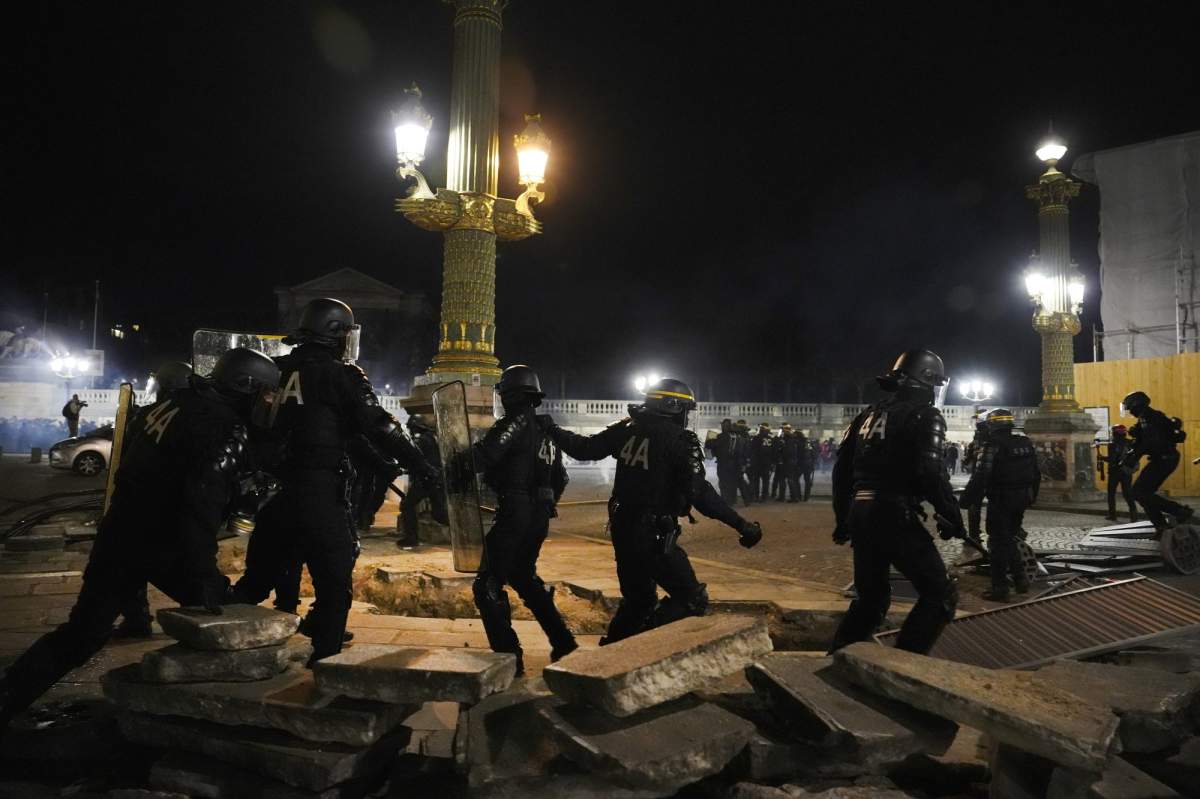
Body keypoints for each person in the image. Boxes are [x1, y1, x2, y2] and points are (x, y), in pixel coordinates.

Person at [0, 349, 280, 731]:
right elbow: (199, 510)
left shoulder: (173, 403)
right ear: (246, 387)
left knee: (82, 633)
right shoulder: (223, 427)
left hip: (123, 529)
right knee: (226, 616)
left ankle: (8, 699)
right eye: (266, 393)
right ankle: (217, 722)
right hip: (162, 541)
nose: (269, 402)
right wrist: (204, 578)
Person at [231, 298, 437, 663]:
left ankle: (213, 638)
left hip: (272, 493)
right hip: (319, 490)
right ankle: (324, 664)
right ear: (336, 334)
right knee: (334, 582)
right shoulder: (342, 375)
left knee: (256, 580)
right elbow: (378, 426)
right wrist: (421, 465)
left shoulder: (274, 370)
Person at [548, 378, 763, 645]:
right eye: (685, 409)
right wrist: (742, 525)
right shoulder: (680, 440)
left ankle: (611, 656)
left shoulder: (626, 429)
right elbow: (700, 493)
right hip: (653, 534)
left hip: (622, 526)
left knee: (639, 600)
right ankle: (645, 644)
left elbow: (584, 449)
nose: (686, 417)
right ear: (672, 406)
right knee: (691, 598)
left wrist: (553, 429)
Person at [828, 350, 963, 655]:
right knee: (938, 594)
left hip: (861, 513)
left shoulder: (867, 415)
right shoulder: (925, 415)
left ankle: (838, 658)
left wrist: (842, 518)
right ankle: (904, 664)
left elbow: (842, 472)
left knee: (870, 598)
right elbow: (931, 471)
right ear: (927, 381)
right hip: (894, 514)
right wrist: (951, 514)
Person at [467, 365, 577, 675]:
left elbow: (483, 457)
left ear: (511, 396)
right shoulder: (546, 431)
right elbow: (562, 478)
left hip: (514, 511)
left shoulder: (514, 422)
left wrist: (456, 457)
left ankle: (509, 658)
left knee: (488, 584)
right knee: (524, 578)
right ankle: (564, 643)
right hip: (539, 514)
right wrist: (543, 504)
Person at [111, 361, 197, 639]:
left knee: (138, 561)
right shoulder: (194, 417)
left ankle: (140, 617)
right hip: (171, 504)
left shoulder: (148, 415)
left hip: (149, 503)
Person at [959, 408, 1040, 602]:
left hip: (1001, 498)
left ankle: (999, 588)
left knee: (996, 542)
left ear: (992, 425)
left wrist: (967, 500)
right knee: (1009, 538)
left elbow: (981, 476)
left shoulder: (991, 445)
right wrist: (1032, 497)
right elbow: (1036, 474)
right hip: (1022, 498)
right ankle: (1020, 580)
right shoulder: (1025, 443)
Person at [1120, 391, 1194, 530]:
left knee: (1139, 492)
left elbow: (1150, 443)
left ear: (1137, 405)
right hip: (1162, 459)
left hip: (1165, 459)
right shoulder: (1145, 418)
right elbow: (1143, 441)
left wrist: (1135, 455)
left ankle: (1179, 511)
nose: (1130, 411)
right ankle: (1161, 526)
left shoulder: (1151, 417)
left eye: (1130, 408)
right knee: (1143, 494)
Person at [397, 414, 443, 549]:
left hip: (426, 479)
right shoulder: (430, 439)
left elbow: (414, 458)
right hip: (434, 478)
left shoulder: (421, 440)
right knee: (439, 514)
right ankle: (463, 533)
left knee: (407, 505)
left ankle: (411, 539)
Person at [1099, 424, 1138, 523]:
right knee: (1128, 493)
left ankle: (1112, 515)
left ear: (1115, 433)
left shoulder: (1112, 444)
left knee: (1111, 494)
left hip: (1114, 472)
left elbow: (1112, 459)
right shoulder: (1130, 443)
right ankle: (1134, 515)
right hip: (1126, 471)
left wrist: (1102, 458)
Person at [961, 417, 989, 542]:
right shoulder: (991, 439)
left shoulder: (977, 441)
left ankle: (974, 533)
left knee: (974, 504)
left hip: (979, 475)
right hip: (992, 477)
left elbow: (968, 459)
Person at [710, 419, 741, 505]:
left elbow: (713, 445)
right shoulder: (735, 436)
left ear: (724, 426)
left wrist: (710, 441)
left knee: (723, 482)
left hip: (723, 463)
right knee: (732, 482)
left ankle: (725, 500)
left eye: (722, 425)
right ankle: (732, 500)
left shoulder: (721, 436)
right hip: (734, 464)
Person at [775, 423, 802, 502]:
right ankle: (784, 496)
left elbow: (787, 451)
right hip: (790, 461)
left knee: (788, 480)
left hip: (787, 461)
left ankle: (792, 497)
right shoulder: (792, 438)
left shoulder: (788, 439)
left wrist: (781, 457)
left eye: (783, 430)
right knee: (784, 480)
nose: (783, 431)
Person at [750, 423, 775, 501]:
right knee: (765, 481)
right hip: (767, 462)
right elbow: (773, 451)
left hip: (758, 462)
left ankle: (756, 496)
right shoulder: (771, 439)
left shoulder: (756, 438)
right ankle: (764, 496)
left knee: (756, 481)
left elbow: (752, 450)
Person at [733, 419, 755, 506]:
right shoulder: (746, 436)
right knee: (742, 480)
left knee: (740, 481)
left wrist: (745, 463)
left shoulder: (742, 437)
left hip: (741, 461)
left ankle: (747, 498)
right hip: (744, 461)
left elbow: (745, 450)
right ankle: (749, 498)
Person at [797, 429, 815, 501]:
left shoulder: (799, 442)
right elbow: (814, 453)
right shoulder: (808, 442)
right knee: (807, 481)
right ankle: (806, 497)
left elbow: (799, 454)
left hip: (802, 464)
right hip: (809, 463)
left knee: (795, 479)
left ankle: (798, 495)